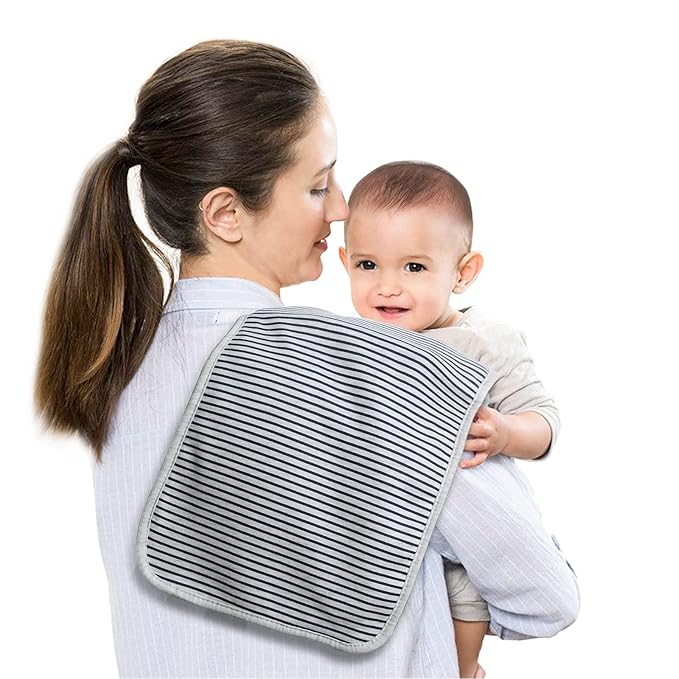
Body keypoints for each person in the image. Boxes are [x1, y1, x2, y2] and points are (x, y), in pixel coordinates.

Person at [34, 39, 578, 678]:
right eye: (319, 186)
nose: (343, 209)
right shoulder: (384, 371)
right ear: (225, 213)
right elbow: (545, 597)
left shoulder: (114, 371)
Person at [339, 161, 566, 677]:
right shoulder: (355, 342)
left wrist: (505, 433)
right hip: (384, 525)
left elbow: (544, 420)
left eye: (414, 268)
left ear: (463, 272)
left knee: (463, 592)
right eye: (369, 265)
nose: (388, 287)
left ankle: (464, 668)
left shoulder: (483, 342)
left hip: (465, 522)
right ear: (346, 262)